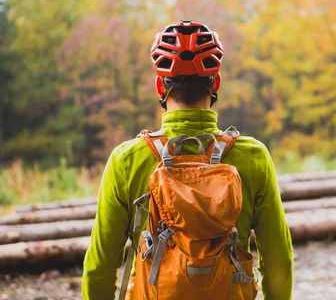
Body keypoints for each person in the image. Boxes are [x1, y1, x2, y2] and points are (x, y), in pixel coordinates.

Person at [82, 20, 294, 299]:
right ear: (215, 82)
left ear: (160, 86)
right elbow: (278, 261)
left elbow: (100, 267)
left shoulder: (126, 160)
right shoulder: (253, 157)